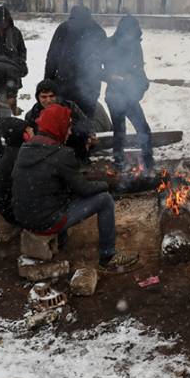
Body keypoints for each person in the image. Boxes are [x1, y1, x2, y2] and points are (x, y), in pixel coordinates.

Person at [11, 104, 139, 270]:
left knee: (56, 192)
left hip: (23, 217)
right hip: (47, 221)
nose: (70, 132)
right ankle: (108, 257)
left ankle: (62, 241)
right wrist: (106, 184)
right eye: (68, 126)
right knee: (105, 200)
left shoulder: (25, 148)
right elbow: (84, 189)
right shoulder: (61, 154)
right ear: (58, 126)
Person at [102, 15, 154, 172]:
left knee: (143, 129)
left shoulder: (135, 46)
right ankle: (118, 162)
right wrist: (111, 76)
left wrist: (140, 83)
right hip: (114, 95)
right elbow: (97, 70)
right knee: (120, 130)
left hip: (130, 95)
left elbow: (139, 69)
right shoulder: (109, 44)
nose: (130, 36)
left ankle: (148, 162)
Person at [44, 5, 107, 118]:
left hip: (65, 84)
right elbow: (106, 57)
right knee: (86, 120)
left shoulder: (63, 28)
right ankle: (85, 134)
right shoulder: (98, 30)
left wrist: (47, 81)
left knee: (63, 119)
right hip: (90, 86)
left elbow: (52, 57)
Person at [25, 79, 96, 163]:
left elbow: (85, 122)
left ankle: (79, 161)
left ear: (56, 96)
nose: (48, 101)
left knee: (78, 131)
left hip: (70, 144)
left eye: (51, 96)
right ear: (38, 97)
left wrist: (90, 135)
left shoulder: (69, 106)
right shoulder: (33, 114)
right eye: (44, 97)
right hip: (46, 149)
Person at [0, 117, 28, 227]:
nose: (33, 132)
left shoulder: (12, 151)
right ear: (23, 135)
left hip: (8, 208)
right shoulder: (21, 156)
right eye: (28, 130)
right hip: (15, 213)